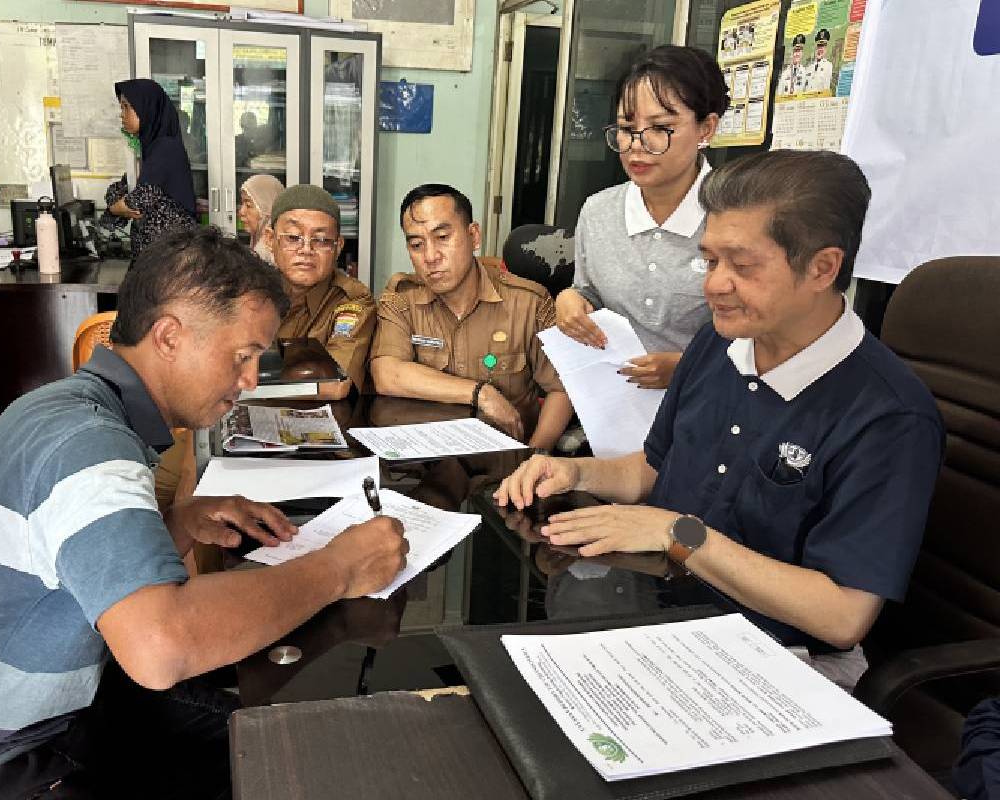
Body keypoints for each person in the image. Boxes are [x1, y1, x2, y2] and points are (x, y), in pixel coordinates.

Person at [0, 226, 407, 800]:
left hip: (10, 727)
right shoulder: (87, 444)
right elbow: (160, 647)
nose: (249, 380)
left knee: (278, 741)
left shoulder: (69, 408)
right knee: (290, 760)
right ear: (170, 336)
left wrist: (177, 524)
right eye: (243, 355)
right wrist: (339, 569)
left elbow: (55, 568)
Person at [494, 151, 943, 686]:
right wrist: (576, 473)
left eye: (742, 265)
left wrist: (677, 532)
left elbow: (842, 616)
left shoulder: (889, 415)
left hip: (782, 661)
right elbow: (654, 469)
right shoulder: (720, 341)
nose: (714, 286)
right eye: (709, 261)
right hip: (665, 610)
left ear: (822, 268)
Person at [557, 46, 729, 389]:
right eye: (626, 127)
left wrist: (688, 368)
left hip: (711, 409)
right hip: (613, 405)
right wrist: (570, 300)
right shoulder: (598, 211)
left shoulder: (736, 216)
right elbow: (589, 294)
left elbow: (770, 338)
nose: (637, 144)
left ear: (705, 129)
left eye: (660, 128)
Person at [371, 184, 573, 451]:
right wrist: (480, 393)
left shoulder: (528, 302)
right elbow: (387, 374)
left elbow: (563, 389)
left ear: (473, 236)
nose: (430, 257)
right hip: (429, 463)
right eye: (417, 245)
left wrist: (533, 458)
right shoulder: (402, 298)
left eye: (442, 237)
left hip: (505, 464)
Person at [264, 183, 376, 400]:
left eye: (322, 240)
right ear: (270, 240)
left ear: (338, 247)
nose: (306, 250)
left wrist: (246, 378)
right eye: (293, 237)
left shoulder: (352, 300)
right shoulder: (249, 291)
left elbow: (333, 385)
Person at [104, 79, 198, 260]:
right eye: (121, 107)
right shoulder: (149, 149)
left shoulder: (165, 149)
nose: (121, 114)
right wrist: (118, 204)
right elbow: (119, 190)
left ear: (147, 109)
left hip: (171, 259)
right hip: (154, 257)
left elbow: (138, 200)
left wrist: (116, 208)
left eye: (126, 107)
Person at [239, 173, 284, 264]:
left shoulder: (268, 252)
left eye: (248, 205)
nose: (241, 212)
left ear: (267, 208)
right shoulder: (260, 244)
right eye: (242, 204)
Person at [807, 28, 835, 93]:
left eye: (823, 46)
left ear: (826, 48)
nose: (820, 49)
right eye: (819, 46)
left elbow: (826, 88)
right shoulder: (809, 67)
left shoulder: (828, 66)